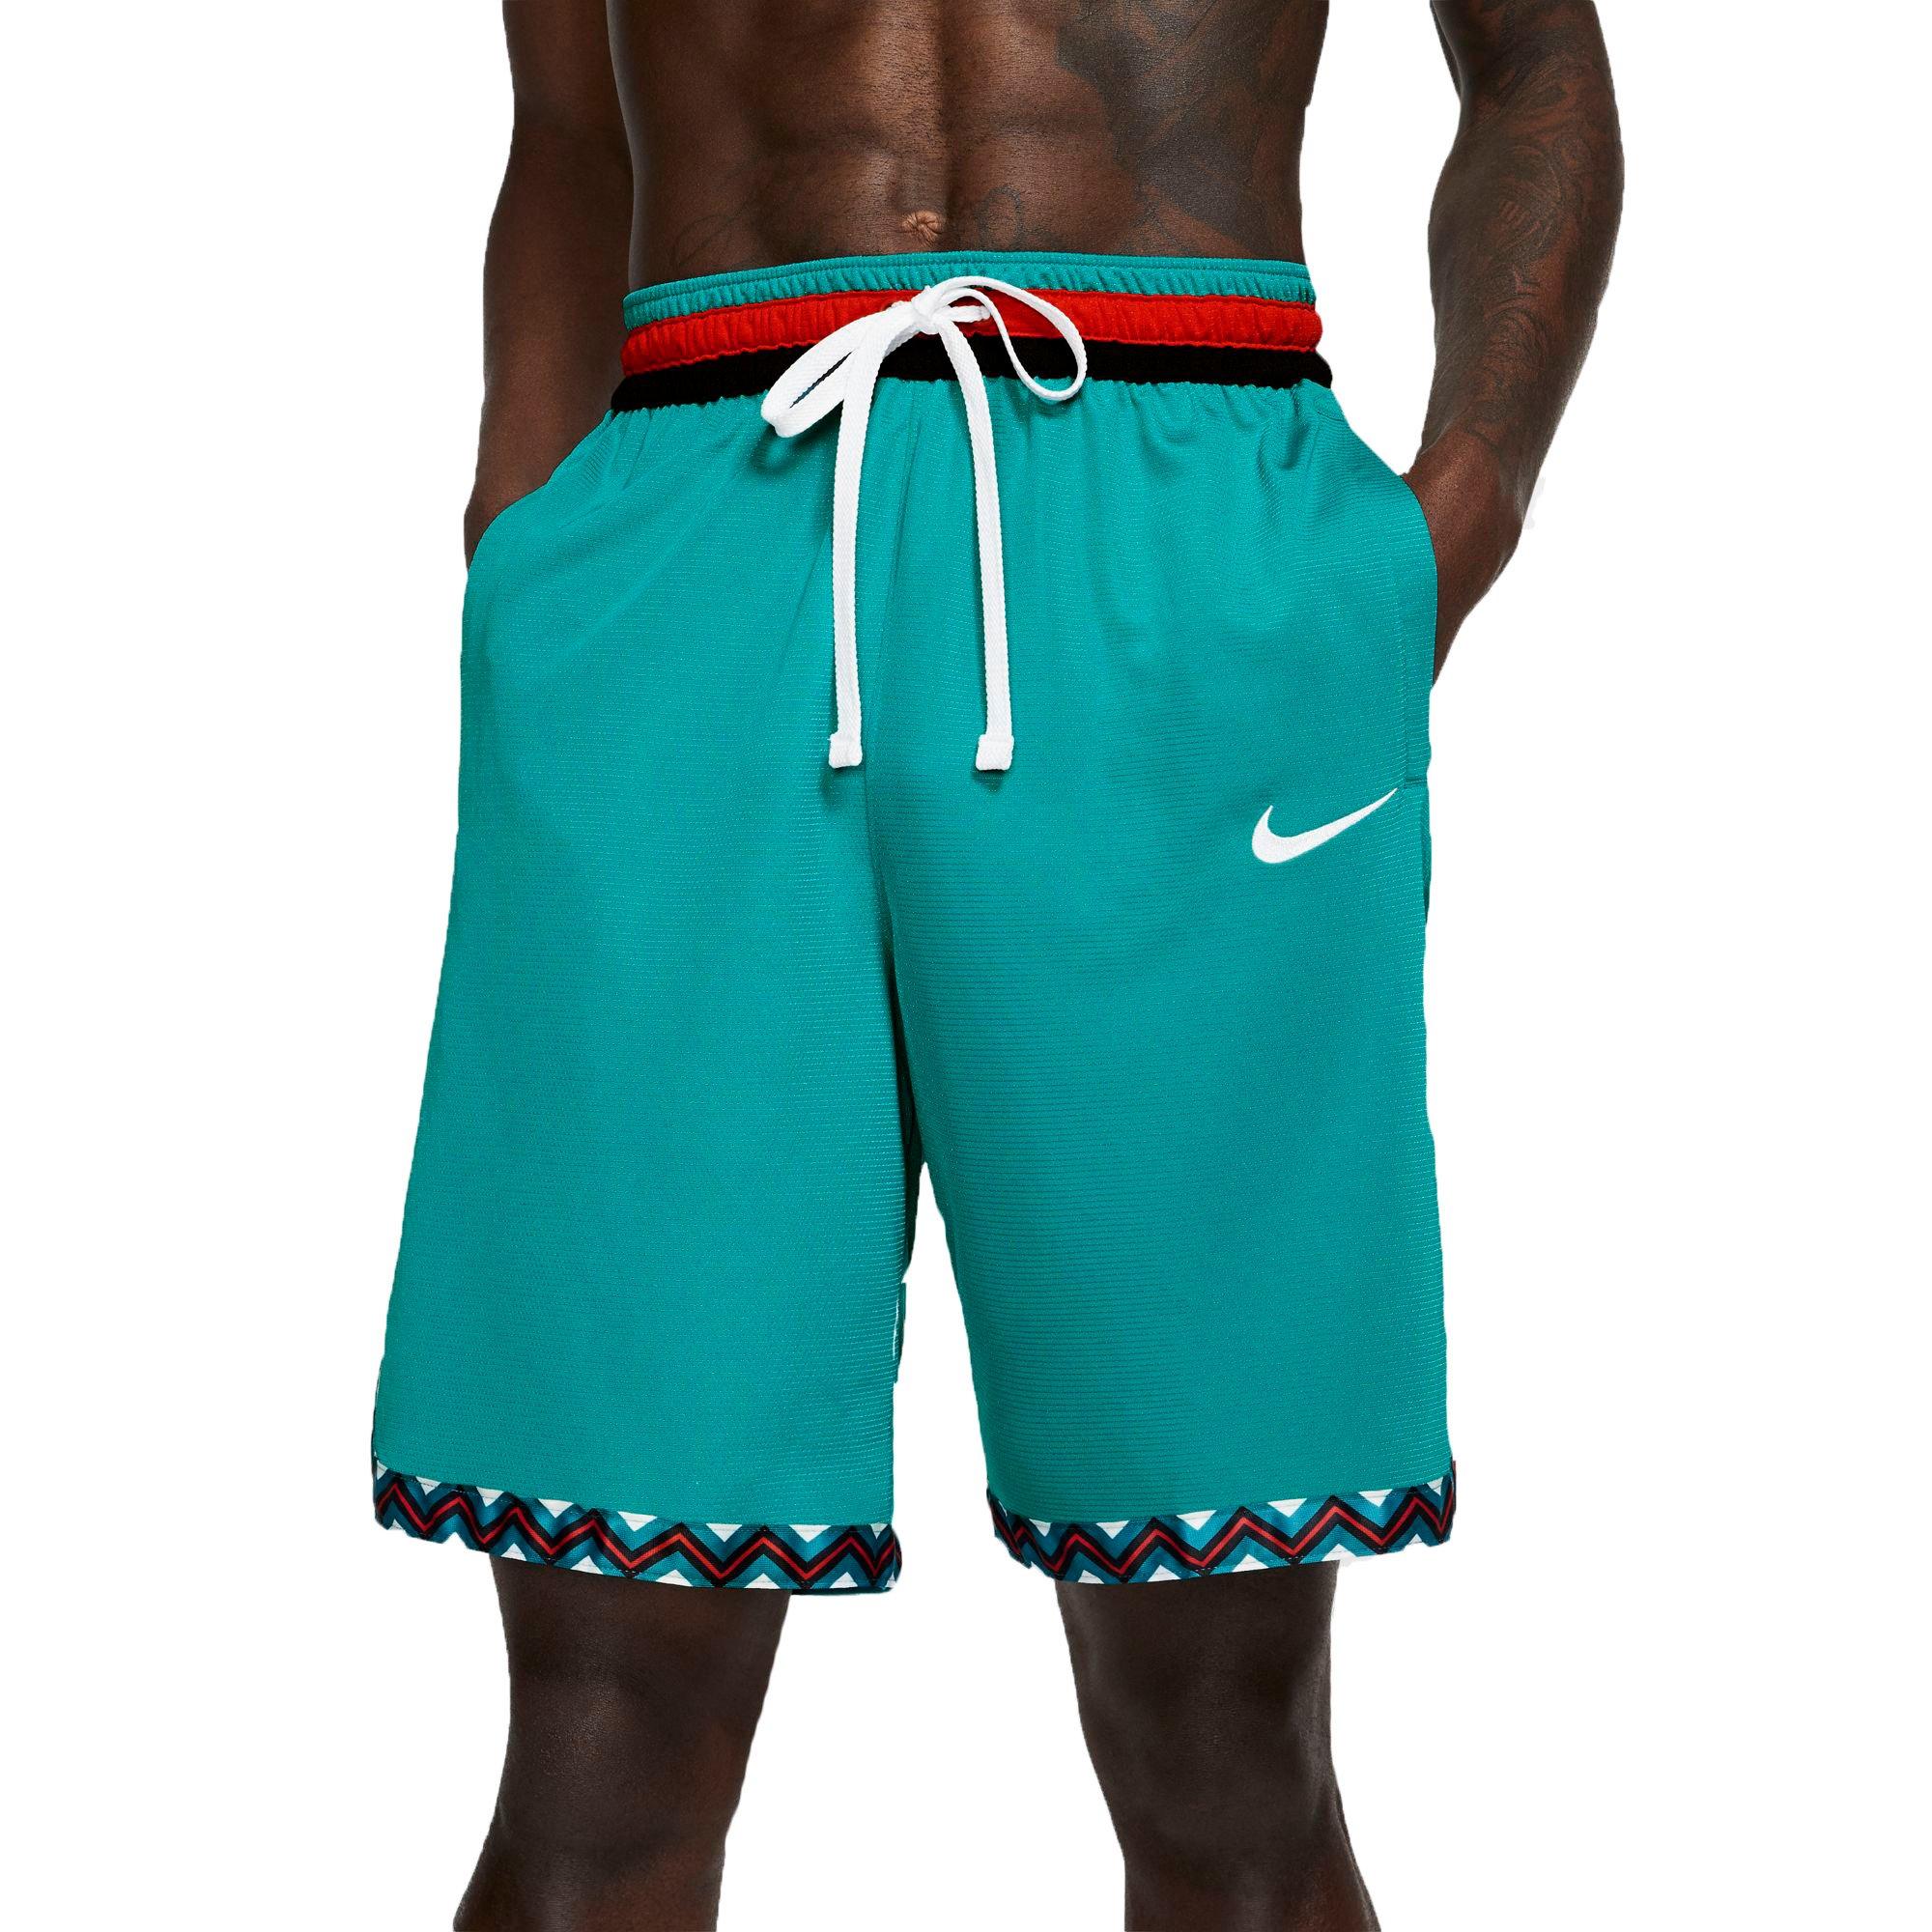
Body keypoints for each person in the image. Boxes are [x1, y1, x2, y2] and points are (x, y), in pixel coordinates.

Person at [370, 3, 1622, 1924]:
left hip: (1183, 519)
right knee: (606, 1724)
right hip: (693, 536)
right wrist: (523, 567)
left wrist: (1450, 525)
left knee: (1222, 1730)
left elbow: (1533, 62)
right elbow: (564, 116)